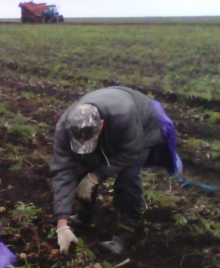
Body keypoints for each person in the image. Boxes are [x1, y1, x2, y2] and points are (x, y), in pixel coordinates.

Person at [50, 86, 180, 255]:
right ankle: (85, 217)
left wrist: (97, 176)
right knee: (81, 165)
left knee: (128, 176)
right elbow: (62, 171)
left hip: (144, 127)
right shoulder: (64, 129)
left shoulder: (124, 115)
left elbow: (130, 152)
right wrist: (62, 225)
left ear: (101, 125)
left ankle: (127, 232)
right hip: (115, 124)